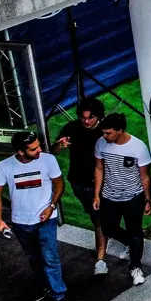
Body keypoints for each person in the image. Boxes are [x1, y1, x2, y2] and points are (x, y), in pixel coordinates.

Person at [0, 131, 69, 301]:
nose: (39, 150)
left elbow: (59, 184)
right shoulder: (5, 166)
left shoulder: (48, 160)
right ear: (20, 151)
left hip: (46, 219)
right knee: (34, 257)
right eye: (34, 148)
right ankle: (45, 286)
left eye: (39, 146)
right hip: (21, 222)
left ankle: (59, 294)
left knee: (50, 257)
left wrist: (51, 205)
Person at [93, 113, 151, 287]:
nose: (104, 136)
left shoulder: (138, 147)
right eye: (103, 133)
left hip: (133, 196)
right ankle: (131, 243)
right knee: (107, 227)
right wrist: (97, 194)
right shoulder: (101, 144)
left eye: (108, 133)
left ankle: (135, 267)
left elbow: (145, 176)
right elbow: (98, 168)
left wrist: (148, 200)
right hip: (109, 196)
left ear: (120, 131)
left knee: (135, 231)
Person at [53, 98, 109, 275]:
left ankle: (101, 260)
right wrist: (59, 145)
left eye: (90, 117)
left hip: (99, 185)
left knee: (100, 220)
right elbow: (53, 151)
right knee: (96, 218)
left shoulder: (105, 131)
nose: (86, 121)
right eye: (83, 117)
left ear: (98, 116)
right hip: (78, 183)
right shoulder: (72, 128)